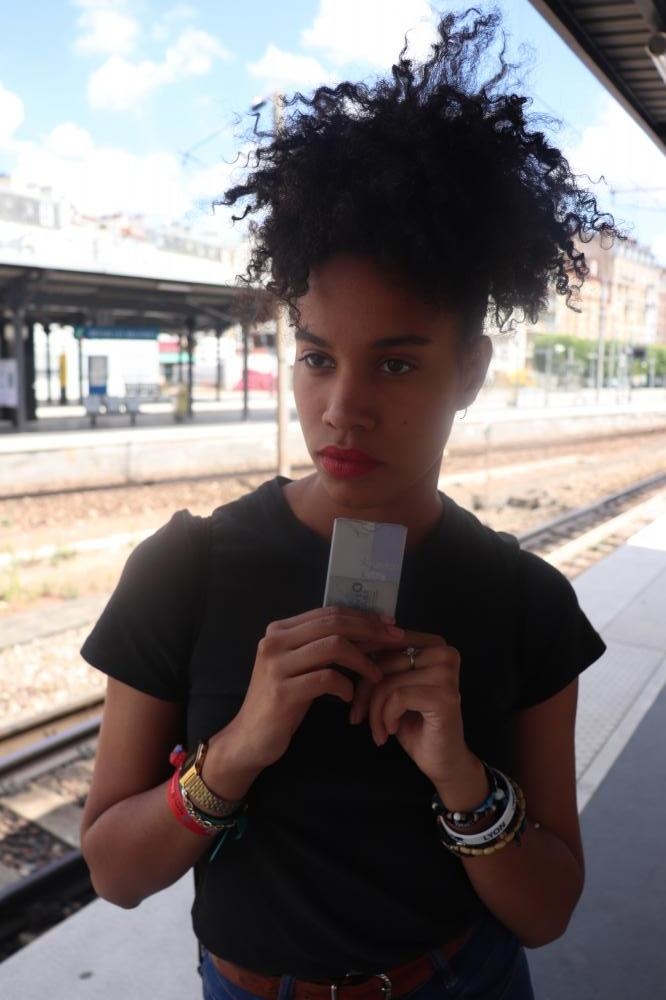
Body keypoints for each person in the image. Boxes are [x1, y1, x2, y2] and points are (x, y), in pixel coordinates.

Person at [80, 9, 621, 999]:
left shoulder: (527, 601)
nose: (342, 408)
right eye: (317, 356)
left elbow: (546, 910)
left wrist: (462, 778)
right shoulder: (184, 569)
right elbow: (114, 872)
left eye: (397, 363)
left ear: (471, 370)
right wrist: (238, 748)